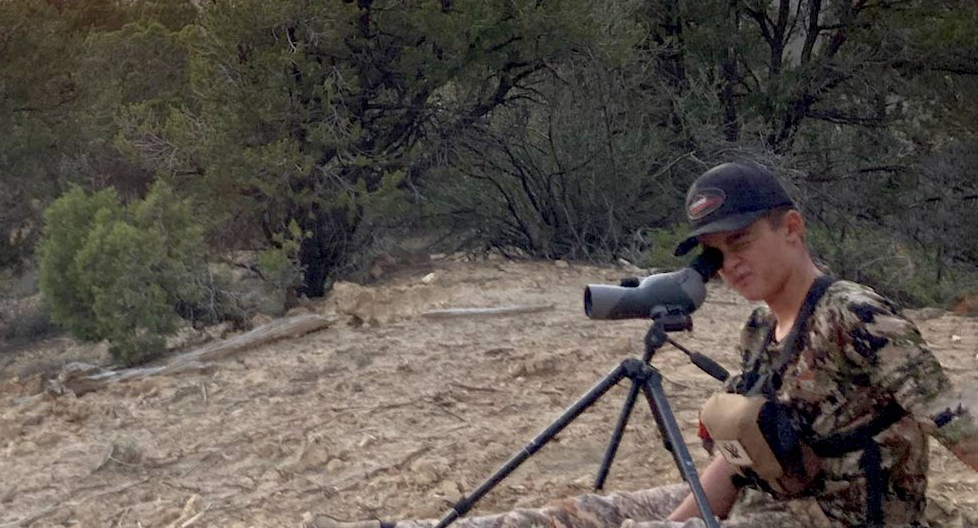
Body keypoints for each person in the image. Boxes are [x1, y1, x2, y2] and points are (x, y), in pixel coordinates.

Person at [308, 162, 978, 528]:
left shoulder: (852, 313)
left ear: (792, 228)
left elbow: (957, 424)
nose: (731, 264)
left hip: (835, 517)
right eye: (717, 253)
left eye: (740, 242)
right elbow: (736, 459)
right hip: (761, 500)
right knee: (567, 516)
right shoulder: (757, 329)